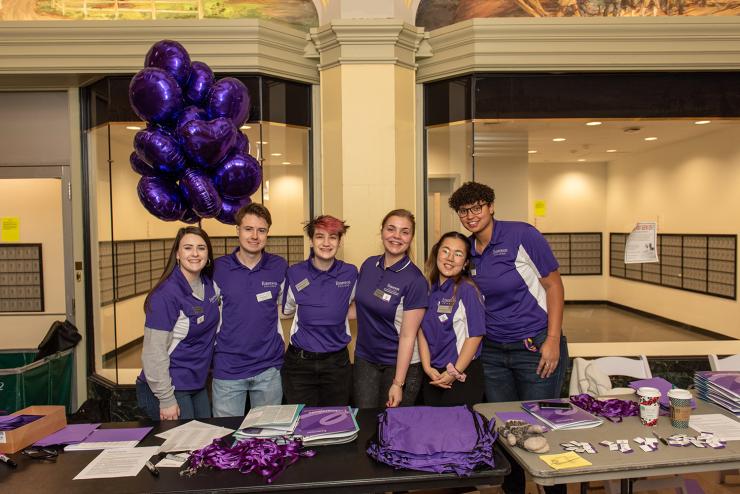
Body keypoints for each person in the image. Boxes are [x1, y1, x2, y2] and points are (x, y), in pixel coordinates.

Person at [449, 181, 568, 494]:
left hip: (535, 347)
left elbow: (554, 286)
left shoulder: (522, 235)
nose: (471, 215)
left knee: (543, 430)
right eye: (464, 210)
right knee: (507, 432)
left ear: (491, 207)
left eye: (477, 207)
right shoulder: (468, 251)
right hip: (493, 354)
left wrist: (553, 339)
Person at [136, 226, 220, 421]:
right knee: (182, 448)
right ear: (177, 254)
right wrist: (166, 399)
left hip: (197, 383)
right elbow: (153, 352)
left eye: (201, 248)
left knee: (205, 443)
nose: (195, 254)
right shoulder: (165, 295)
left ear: (208, 255)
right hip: (170, 387)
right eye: (188, 248)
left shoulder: (209, 285)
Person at [212, 203, 287, 417]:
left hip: (268, 369)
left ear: (267, 234)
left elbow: (285, 307)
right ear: (237, 230)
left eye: (261, 230)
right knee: (225, 439)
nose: (255, 236)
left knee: (268, 438)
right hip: (228, 369)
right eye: (248, 229)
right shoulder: (218, 269)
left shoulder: (278, 266)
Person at [353, 209, 428, 408]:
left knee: (393, 425)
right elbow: (359, 309)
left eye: (404, 232)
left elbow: (408, 336)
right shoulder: (368, 265)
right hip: (365, 358)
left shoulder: (415, 280)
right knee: (366, 422)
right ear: (382, 232)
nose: (396, 236)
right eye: (391, 229)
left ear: (411, 237)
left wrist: (398, 383)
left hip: (399, 364)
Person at [281, 215, 358, 406]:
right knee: (301, 422)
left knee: (335, 421)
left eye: (332, 237)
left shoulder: (350, 273)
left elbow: (363, 305)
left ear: (340, 242)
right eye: (320, 236)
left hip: (336, 365)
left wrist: (337, 314)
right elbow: (288, 310)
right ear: (311, 240)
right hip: (300, 365)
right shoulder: (295, 273)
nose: (326, 243)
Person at [418, 231, 485, 407]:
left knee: (459, 431)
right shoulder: (428, 289)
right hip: (433, 375)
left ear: (465, 263)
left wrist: (454, 372)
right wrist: (427, 368)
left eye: (458, 254)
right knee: (433, 430)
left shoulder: (467, 290)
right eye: (445, 251)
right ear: (436, 253)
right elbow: (421, 331)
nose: (450, 258)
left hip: (461, 374)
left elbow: (475, 336)